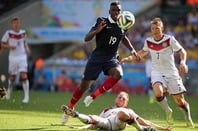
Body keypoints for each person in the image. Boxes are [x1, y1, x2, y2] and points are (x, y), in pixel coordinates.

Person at [61, 1, 139, 124]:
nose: (116, 12)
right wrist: (96, 31)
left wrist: (132, 49)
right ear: (109, 11)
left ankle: (93, 96)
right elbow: (86, 38)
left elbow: (123, 37)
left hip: (111, 58)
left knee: (118, 74)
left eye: (118, 10)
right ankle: (70, 108)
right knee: (83, 87)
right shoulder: (102, 21)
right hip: (97, 58)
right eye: (114, 10)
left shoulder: (122, 24)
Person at [121, 18, 194, 128]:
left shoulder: (170, 39)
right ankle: (168, 111)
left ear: (162, 28)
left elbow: (182, 51)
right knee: (158, 92)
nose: (155, 31)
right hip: (157, 72)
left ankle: (187, 116)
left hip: (171, 72)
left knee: (180, 101)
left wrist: (183, 63)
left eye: (157, 28)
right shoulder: (148, 41)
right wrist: (128, 58)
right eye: (153, 28)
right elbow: (141, 52)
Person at [61, 91, 172, 131]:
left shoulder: (127, 110)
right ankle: (77, 114)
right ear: (115, 98)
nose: (121, 99)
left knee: (121, 113)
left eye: (123, 99)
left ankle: (141, 129)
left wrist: (163, 129)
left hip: (120, 123)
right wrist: (80, 128)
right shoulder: (106, 110)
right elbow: (94, 125)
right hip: (108, 124)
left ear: (126, 103)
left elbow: (145, 121)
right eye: (119, 97)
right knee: (93, 117)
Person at [1, 17, 30, 103]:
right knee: (12, 77)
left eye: (17, 23)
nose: (16, 25)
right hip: (13, 57)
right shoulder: (8, 33)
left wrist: (27, 48)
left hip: (22, 56)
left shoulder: (23, 33)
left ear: (19, 24)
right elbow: (2, 45)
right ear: (12, 24)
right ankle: (9, 92)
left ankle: (26, 97)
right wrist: (10, 46)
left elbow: (24, 43)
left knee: (24, 76)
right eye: (14, 23)